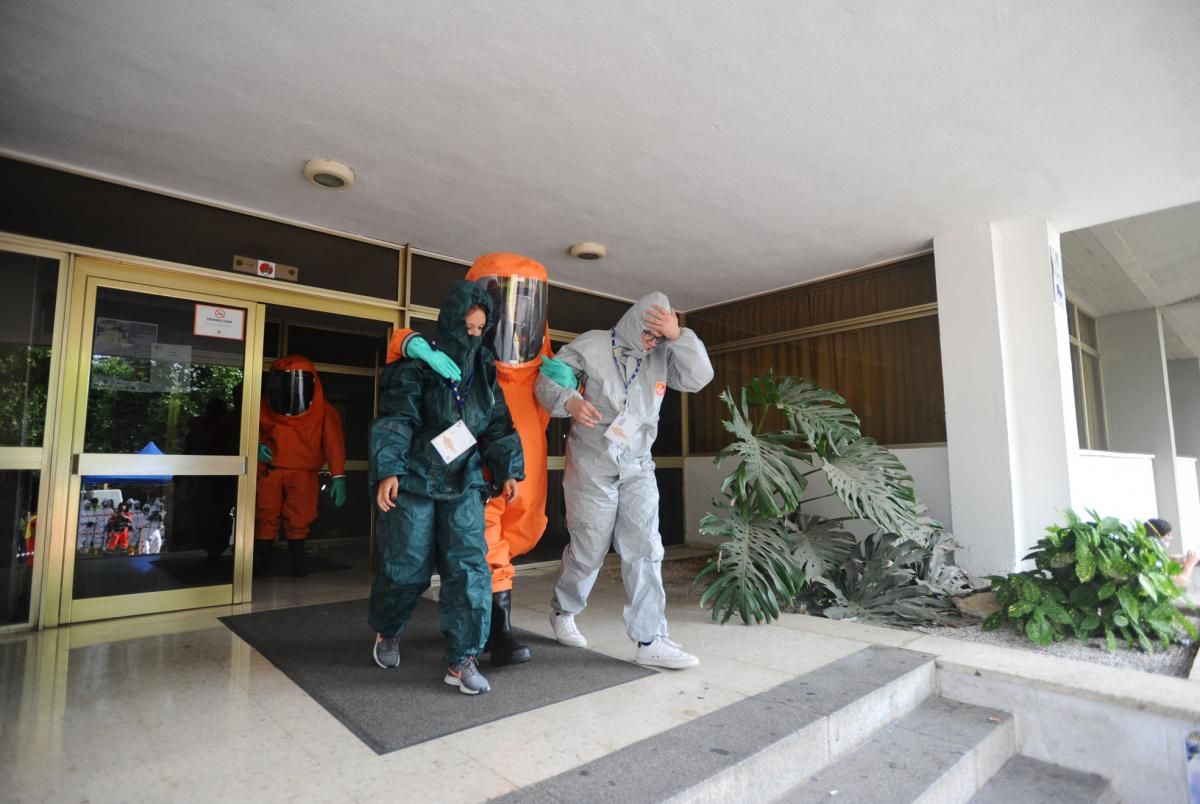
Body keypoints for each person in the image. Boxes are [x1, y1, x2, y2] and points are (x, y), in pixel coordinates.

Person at [388, 252, 553, 666]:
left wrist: (574, 384)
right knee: (470, 554)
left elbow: (507, 422)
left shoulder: (534, 367)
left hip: (517, 477)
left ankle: (473, 633)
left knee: (491, 549)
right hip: (462, 476)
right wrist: (412, 344)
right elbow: (401, 356)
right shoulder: (452, 361)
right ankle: (488, 637)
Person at [536, 292, 713, 669]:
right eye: (649, 334)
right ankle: (563, 610)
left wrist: (678, 335)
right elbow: (548, 379)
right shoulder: (592, 345)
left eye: (658, 338)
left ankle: (651, 638)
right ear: (634, 322)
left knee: (646, 547)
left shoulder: (664, 355)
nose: (652, 343)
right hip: (591, 464)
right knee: (590, 549)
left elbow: (700, 378)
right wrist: (570, 401)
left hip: (638, 464)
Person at [369, 280, 524, 695]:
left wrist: (507, 468)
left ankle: (463, 658)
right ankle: (388, 630)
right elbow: (396, 418)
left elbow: (498, 425)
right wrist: (389, 469)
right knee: (406, 566)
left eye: (479, 329)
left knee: (469, 568)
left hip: (465, 479)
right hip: (417, 478)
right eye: (467, 328)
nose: (473, 336)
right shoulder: (416, 364)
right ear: (450, 323)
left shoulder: (485, 369)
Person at [255, 355, 347, 577]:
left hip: (301, 472)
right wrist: (255, 445)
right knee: (266, 514)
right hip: (271, 470)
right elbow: (251, 429)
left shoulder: (324, 411)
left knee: (299, 517)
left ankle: (296, 563)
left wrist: (338, 476)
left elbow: (334, 443)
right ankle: (262, 563)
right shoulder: (262, 406)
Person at [1146, 518, 1198, 590]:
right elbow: (1179, 582)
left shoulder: (1145, 552)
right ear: (1156, 536)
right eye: (1168, 535)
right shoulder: (1155, 560)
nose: (1171, 538)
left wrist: (1170, 558)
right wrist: (1189, 564)